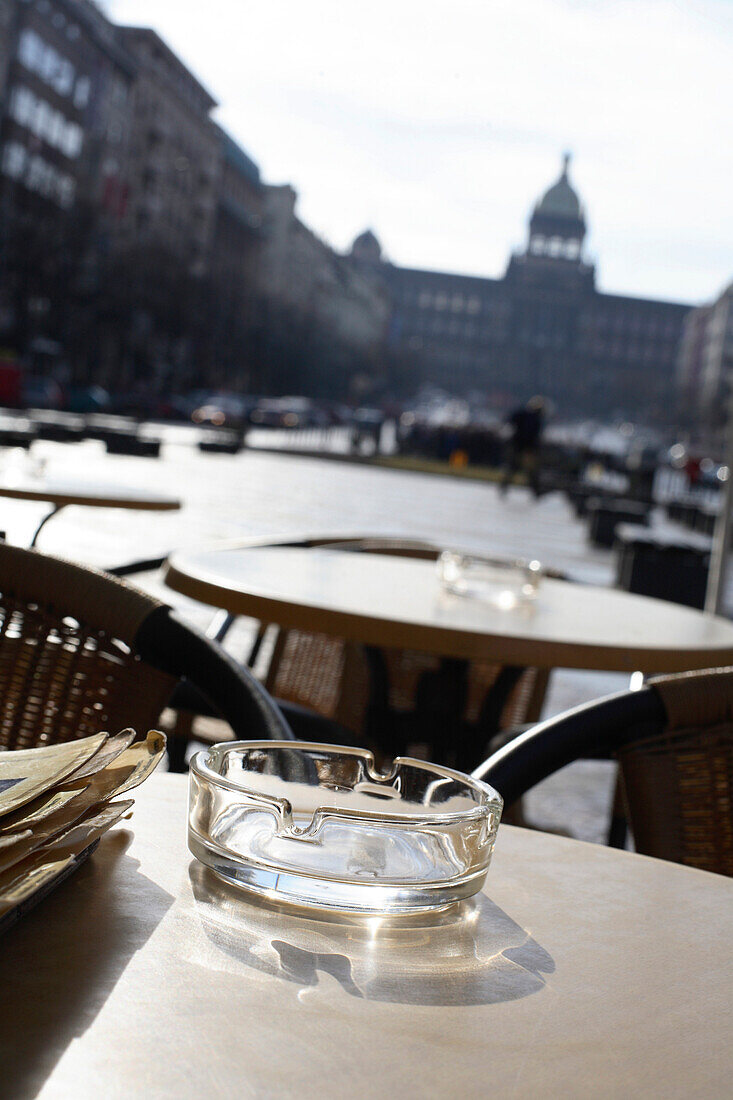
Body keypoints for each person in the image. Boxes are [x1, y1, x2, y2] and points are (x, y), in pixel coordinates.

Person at [500, 396, 546, 496]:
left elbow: (509, 421)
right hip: (525, 448)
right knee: (528, 470)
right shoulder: (535, 418)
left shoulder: (523, 414)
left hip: (520, 446)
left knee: (517, 468)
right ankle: (535, 491)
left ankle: (505, 487)